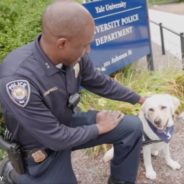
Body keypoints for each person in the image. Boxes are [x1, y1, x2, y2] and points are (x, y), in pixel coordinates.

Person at [0, 1, 145, 184]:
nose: (88, 50)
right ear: (62, 43)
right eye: (84, 45)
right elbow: (56, 138)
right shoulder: (18, 80)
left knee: (131, 128)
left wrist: (140, 99)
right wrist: (99, 128)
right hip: (41, 145)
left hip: (67, 123)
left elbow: (98, 82)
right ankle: (12, 174)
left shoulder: (73, 55)